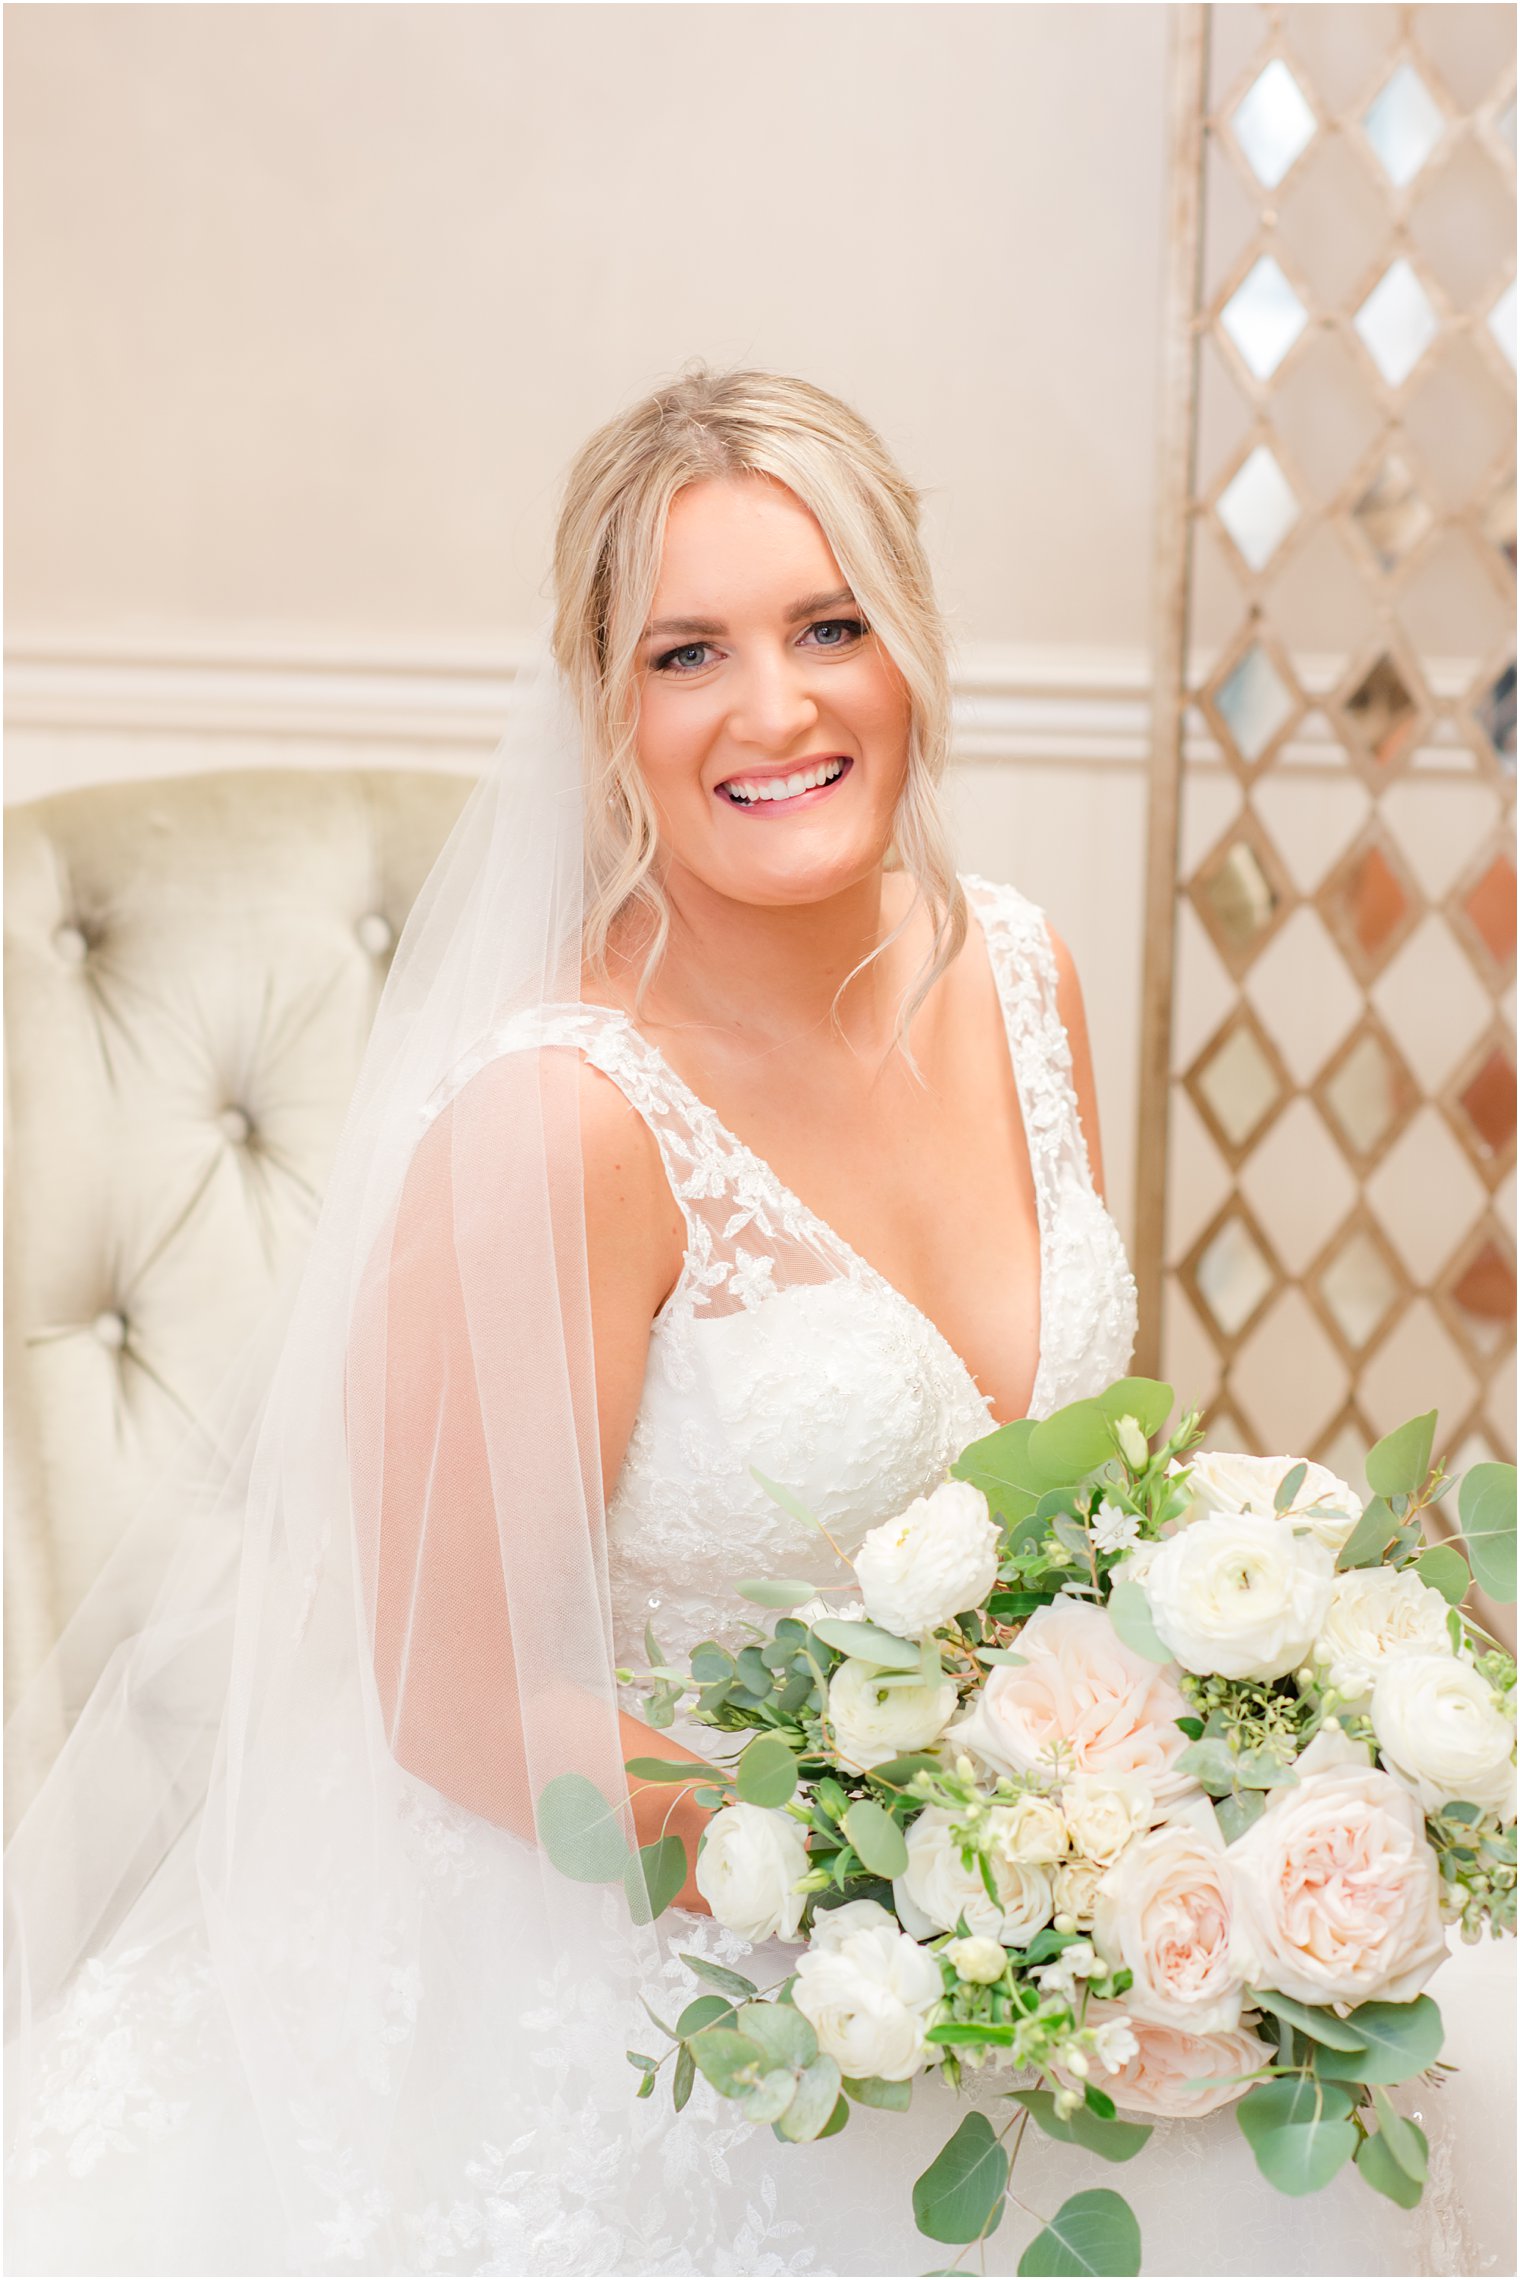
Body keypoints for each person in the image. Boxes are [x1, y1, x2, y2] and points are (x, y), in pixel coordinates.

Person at [4, 368, 1511, 2278]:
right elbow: (454, 1699)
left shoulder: (1021, 971)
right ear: (604, 714)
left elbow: (1062, 1487)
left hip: (1025, 1886)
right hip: (658, 1956)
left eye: (828, 626)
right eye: (685, 654)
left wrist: (1169, 1764)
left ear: (912, 650)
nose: (776, 707)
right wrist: (901, 1878)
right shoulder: (564, 1120)